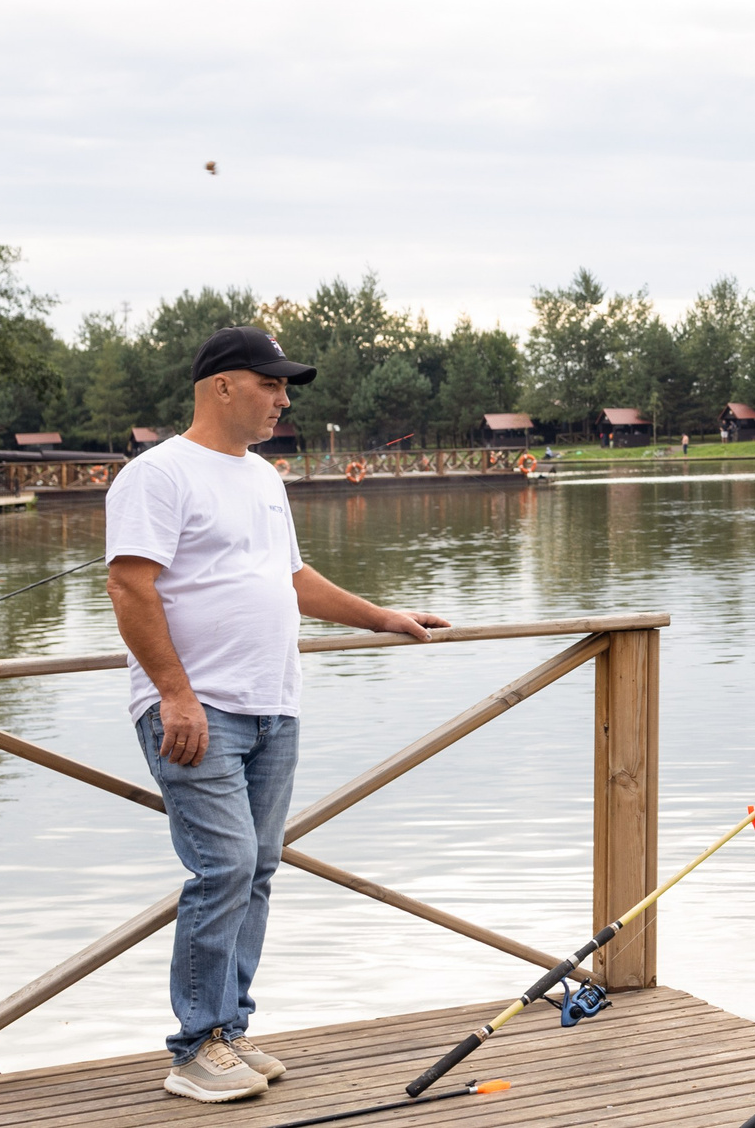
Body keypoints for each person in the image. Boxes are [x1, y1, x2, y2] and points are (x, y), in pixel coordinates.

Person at [106, 326, 451, 1104]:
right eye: (271, 384)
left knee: (256, 872)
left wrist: (381, 616)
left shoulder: (263, 477)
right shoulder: (157, 474)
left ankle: (228, 1030)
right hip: (197, 710)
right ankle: (194, 1047)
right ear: (222, 386)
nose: (284, 399)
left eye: (285, 386)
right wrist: (174, 693)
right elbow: (130, 586)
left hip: (273, 707)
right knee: (222, 866)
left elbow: (291, 578)